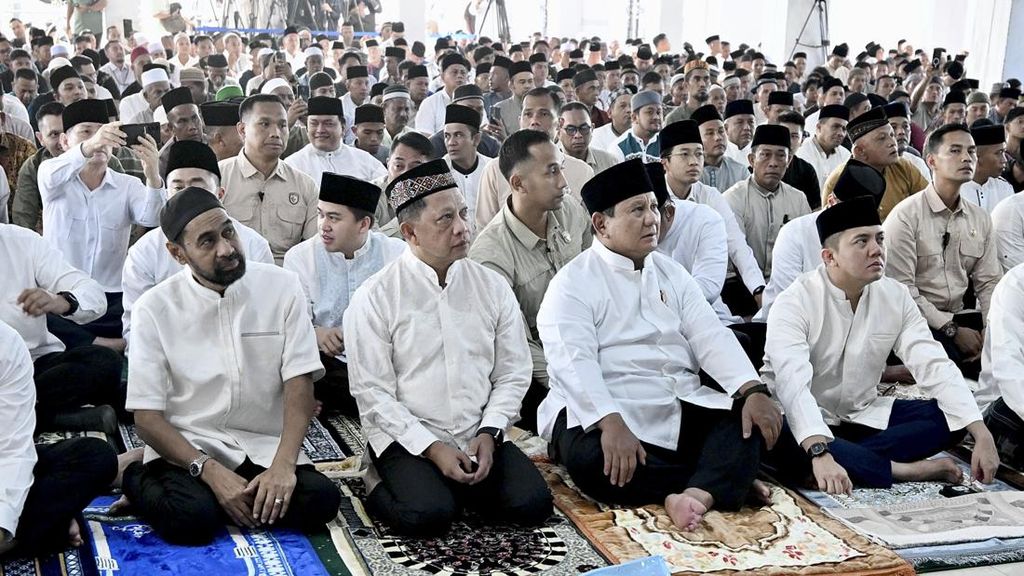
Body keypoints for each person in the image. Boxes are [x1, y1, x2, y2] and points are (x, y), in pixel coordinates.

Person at [538, 158, 780, 531]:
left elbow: (709, 334)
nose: (652, 218)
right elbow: (573, 363)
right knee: (591, 464)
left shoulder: (670, 271)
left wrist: (752, 389)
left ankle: (695, 494)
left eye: (653, 206)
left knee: (745, 423)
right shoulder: (572, 284)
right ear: (601, 224)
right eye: (637, 210)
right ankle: (719, 481)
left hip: (672, 397)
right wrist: (610, 421)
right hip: (604, 406)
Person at [344, 158, 553, 536]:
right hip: (409, 436)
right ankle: (376, 478)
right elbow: (372, 393)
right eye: (445, 219)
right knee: (429, 515)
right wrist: (432, 448)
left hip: (477, 432)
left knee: (532, 505)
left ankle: (460, 482)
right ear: (410, 232)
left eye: (463, 213)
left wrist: (490, 431)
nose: (462, 228)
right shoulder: (374, 297)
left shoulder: (490, 286)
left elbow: (513, 371)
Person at [121, 186, 340, 545]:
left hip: (261, 447)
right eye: (207, 242)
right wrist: (208, 472)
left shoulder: (282, 288)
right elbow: (146, 418)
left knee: (321, 501)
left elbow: (299, 384)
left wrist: (283, 467)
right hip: (188, 452)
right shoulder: (154, 309)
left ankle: (227, 498)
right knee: (192, 521)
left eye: (228, 232)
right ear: (177, 253)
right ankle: (136, 475)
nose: (226, 249)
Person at [764, 196, 999, 492]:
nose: (876, 250)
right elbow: (792, 387)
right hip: (800, 421)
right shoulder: (794, 303)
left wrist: (981, 433)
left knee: (951, 418)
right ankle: (901, 470)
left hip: (860, 415)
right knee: (771, 431)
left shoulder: (895, 296)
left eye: (880, 239)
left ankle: (850, 460)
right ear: (829, 257)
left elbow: (933, 363)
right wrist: (819, 452)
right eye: (861, 242)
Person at [468, 130, 592, 432]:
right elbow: (517, 346)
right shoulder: (490, 255)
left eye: (561, 168)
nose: (563, 181)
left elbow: (597, 279)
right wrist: (577, 385)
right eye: (551, 172)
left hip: (587, 343)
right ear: (518, 183)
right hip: (538, 370)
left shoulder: (570, 211)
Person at [38, 99, 167, 353]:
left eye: (104, 132)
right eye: (87, 131)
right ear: (65, 141)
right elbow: (51, 174)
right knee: (38, 314)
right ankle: (108, 346)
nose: (100, 139)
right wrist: (91, 145)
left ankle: (97, 345)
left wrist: (153, 174)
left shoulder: (127, 185)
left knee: (146, 312)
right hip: (62, 296)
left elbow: (151, 217)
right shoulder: (52, 176)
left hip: (111, 300)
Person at [122, 140, 272, 347]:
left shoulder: (254, 245)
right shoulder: (144, 252)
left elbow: (264, 317)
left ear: (220, 194)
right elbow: (138, 328)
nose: (187, 195)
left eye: (197, 186)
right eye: (178, 188)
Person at [883, 124, 1002, 380]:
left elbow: (989, 282)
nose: (966, 158)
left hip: (960, 317)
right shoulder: (905, 217)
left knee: (1007, 354)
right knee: (949, 370)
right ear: (932, 161)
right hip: (914, 322)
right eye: (955, 151)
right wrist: (951, 329)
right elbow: (901, 291)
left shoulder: (980, 218)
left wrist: (992, 337)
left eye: (971, 151)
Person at [0, 321, 117, 558]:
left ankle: (17, 535)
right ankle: (40, 531)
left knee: (94, 457)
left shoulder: (6, 342)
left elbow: (13, 451)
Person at [756, 160, 886, 321]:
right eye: (849, 214)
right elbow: (789, 298)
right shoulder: (794, 233)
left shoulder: (875, 241)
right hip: (789, 321)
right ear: (831, 202)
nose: (854, 225)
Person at [475, 87, 593, 230]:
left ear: (560, 123)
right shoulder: (495, 169)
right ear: (520, 121)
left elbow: (586, 231)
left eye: (543, 114)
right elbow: (485, 229)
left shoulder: (582, 171)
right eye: (528, 114)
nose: (534, 121)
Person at [723, 124, 811, 287]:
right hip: (739, 284)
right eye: (765, 155)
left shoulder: (798, 199)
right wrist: (759, 292)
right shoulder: (733, 198)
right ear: (751, 160)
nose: (773, 163)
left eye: (780, 156)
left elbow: (805, 249)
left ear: (789, 160)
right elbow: (737, 255)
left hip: (787, 283)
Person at [821, 106, 928, 220]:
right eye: (882, 138)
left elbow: (927, 203)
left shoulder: (904, 167)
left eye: (891, 135)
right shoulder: (839, 181)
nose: (892, 142)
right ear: (860, 151)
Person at [285, 96, 387, 186]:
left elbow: (393, 196)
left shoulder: (365, 161)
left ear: (343, 128)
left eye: (328, 123)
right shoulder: (292, 165)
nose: (320, 130)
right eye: (314, 123)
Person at [372, 131, 434, 236]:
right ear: (388, 164)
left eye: (415, 168)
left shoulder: (438, 194)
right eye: (398, 166)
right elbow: (371, 244)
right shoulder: (370, 195)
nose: (405, 173)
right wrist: (409, 213)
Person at [442, 104, 492, 219]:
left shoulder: (492, 169)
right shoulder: (438, 173)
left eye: (458, 135)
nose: (451, 142)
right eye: (447, 136)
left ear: (476, 139)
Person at [692, 104, 747, 193]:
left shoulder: (740, 171)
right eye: (710, 133)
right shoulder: (689, 172)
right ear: (697, 138)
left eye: (721, 131)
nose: (718, 137)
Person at [960, 123, 1013, 213]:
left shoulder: (1004, 187)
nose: (1004, 160)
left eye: (1004, 152)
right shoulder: (956, 190)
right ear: (976, 156)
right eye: (998, 153)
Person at [414, 54, 470, 136]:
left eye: (463, 73)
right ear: (443, 76)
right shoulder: (430, 103)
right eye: (454, 72)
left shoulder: (473, 101)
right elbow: (424, 137)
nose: (459, 76)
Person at [776, 110, 822, 210]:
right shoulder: (759, 166)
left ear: (801, 141)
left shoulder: (807, 170)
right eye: (784, 134)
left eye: (794, 136)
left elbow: (815, 209)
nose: (788, 141)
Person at [557, 102, 618, 174]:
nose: (578, 135)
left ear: (592, 129)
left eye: (584, 128)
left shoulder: (609, 162)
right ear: (558, 132)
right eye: (570, 129)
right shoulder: (550, 166)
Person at [608, 89, 662, 162]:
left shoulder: (668, 144)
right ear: (634, 117)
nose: (656, 117)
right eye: (650, 112)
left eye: (659, 112)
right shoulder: (619, 147)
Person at [491, 61, 535, 136]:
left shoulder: (541, 106)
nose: (527, 86)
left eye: (530, 81)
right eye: (522, 82)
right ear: (511, 85)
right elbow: (494, 140)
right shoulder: (497, 108)